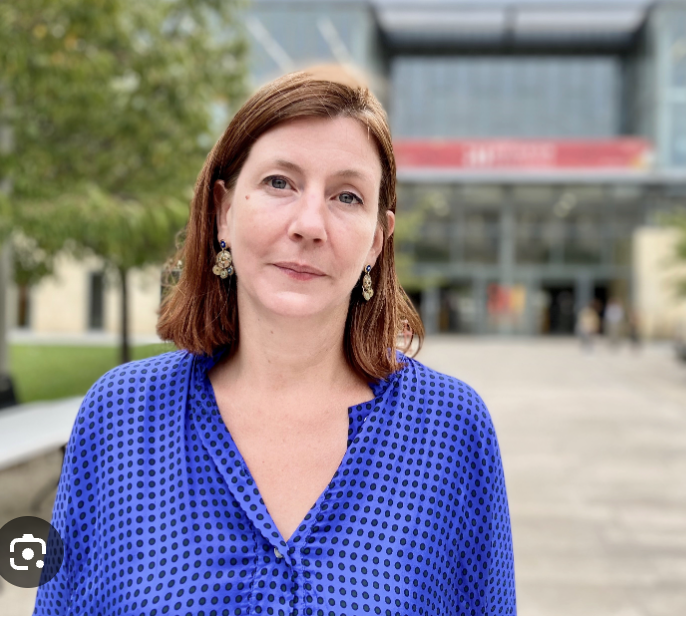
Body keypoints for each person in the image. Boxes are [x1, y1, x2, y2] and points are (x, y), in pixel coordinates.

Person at [34, 69, 516, 615]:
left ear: (377, 241)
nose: (309, 224)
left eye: (347, 196)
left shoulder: (451, 431)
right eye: (280, 183)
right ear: (224, 210)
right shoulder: (119, 417)